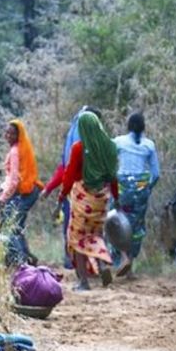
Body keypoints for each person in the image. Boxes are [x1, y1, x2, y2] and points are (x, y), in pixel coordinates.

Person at [58, 111, 119, 291]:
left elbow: (69, 176)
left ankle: (83, 282)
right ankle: (103, 265)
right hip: (101, 199)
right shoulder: (109, 147)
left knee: (77, 238)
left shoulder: (78, 148)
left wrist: (61, 197)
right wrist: (117, 197)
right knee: (96, 234)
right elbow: (113, 176)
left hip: (83, 197)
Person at [42, 105, 103, 268]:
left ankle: (79, 269)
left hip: (78, 192)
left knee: (75, 229)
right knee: (93, 229)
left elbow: (66, 169)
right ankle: (98, 264)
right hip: (97, 193)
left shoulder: (76, 143)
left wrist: (58, 193)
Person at [112, 113, 160, 276]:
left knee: (117, 221)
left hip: (122, 189)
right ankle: (130, 265)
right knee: (136, 226)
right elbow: (156, 174)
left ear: (128, 126)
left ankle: (123, 257)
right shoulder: (149, 145)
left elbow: (108, 161)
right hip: (141, 190)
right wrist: (146, 188)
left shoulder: (118, 142)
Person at [0, 119, 43, 266]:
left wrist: (2, 198)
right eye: (7, 132)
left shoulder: (15, 151)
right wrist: (4, 187)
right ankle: (25, 258)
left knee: (9, 227)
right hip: (29, 191)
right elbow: (12, 177)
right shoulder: (19, 148)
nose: (8, 135)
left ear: (19, 135)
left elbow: (15, 180)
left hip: (25, 193)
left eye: (12, 133)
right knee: (16, 226)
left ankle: (21, 262)